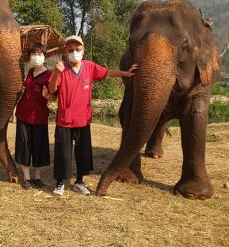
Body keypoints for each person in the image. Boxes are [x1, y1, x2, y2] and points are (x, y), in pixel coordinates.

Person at [48, 35, 137, 195]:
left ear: (83, 50)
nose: (74, 52)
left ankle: (79, 182)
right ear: (66, 52)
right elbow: (52, 90)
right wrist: (55, 73)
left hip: (83, 120)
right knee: (63, 154)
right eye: (71, 50)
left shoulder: (90, 67)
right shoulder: (61, 68)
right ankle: (60, 183)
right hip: (65, 120)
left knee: (83, 153)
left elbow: (107, 72)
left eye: (78, 49)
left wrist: (126, 73)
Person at [15, 42, 53, 189]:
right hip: (23, 114)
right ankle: (26, 178)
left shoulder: (50, 75)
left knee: (39, 147)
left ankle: (37, 177)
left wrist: (49, 96)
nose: (36, 57)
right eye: (33, 54)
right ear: (30, 56)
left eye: (39, 54)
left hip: (39, 117)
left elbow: (53, 95)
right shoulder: (30, 72)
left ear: (44, 56)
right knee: (24, 145)